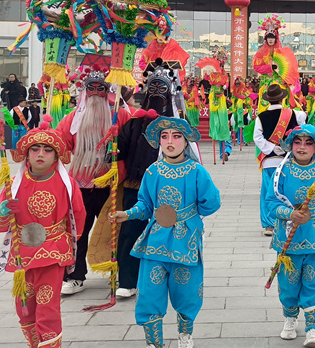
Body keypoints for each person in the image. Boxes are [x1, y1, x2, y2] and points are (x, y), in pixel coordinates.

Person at [110, 116, 220, 348]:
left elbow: (211, 204)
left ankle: (185, 334)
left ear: (186, 141)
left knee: (187, 292)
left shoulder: (197, 172)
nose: (170, 141)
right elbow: (145, 205)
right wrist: (127, 214)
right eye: (164, 136)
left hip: (186, 241)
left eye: (176, 136)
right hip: (155, 240)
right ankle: (153, 342)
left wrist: (191, 211)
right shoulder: (152, 172)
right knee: (149, 293)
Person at [0, 117, 86, 348]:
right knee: (24, 307)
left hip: (53, 251)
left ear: (56, 155)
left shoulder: (66, 184)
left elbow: (78, 216)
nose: (40, 154)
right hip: (23, 253)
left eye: (47, 150)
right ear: (27, 154)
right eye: (35, 149)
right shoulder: (13, 184)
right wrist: (2, 211)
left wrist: (70, 243)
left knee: (47, 306)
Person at [56, 66, 130, 295]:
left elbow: (132, 143)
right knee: (77, 231)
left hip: (111, 186)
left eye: (101, 88)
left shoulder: (120, 115)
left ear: (108, 91)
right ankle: (75, 276)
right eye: (92, 88)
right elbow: (59, 146)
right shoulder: (72, 119)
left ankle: (120, 274)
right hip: (80, 185)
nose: (96, 93)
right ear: (84, 91)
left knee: (115, 231)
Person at [266, 125, 315, 348]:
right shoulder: (281, 171)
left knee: (314, 282)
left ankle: (313, 327)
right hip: (288, 237)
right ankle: (290, 318)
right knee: (288, 283)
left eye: (308, 143)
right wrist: (290, 214)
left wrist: (313, 213)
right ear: (290, 145)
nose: (302, 147)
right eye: (297, 142)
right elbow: (271, 203)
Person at [115, 60, 179, 299]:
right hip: (136, 186)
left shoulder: (177, 126)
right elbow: (120, 151)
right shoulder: (133, 123)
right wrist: (113, 145)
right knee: (130, 231)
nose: (157, 93)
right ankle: (127, 280)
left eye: (162, 88)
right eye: (153, 88)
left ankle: (167, 278)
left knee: (169, 232)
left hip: (169, 188)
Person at [254, 84, 306, 236]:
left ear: (268, 100)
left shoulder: (261, 117)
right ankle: (290, 220)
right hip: (289, 160)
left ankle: (269, 226)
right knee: (289, 191)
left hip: (270, 160)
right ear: (282, 99)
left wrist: (271, 148)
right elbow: (303, 125)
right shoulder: (294, 114)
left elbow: (257, 137)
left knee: (268, 192)